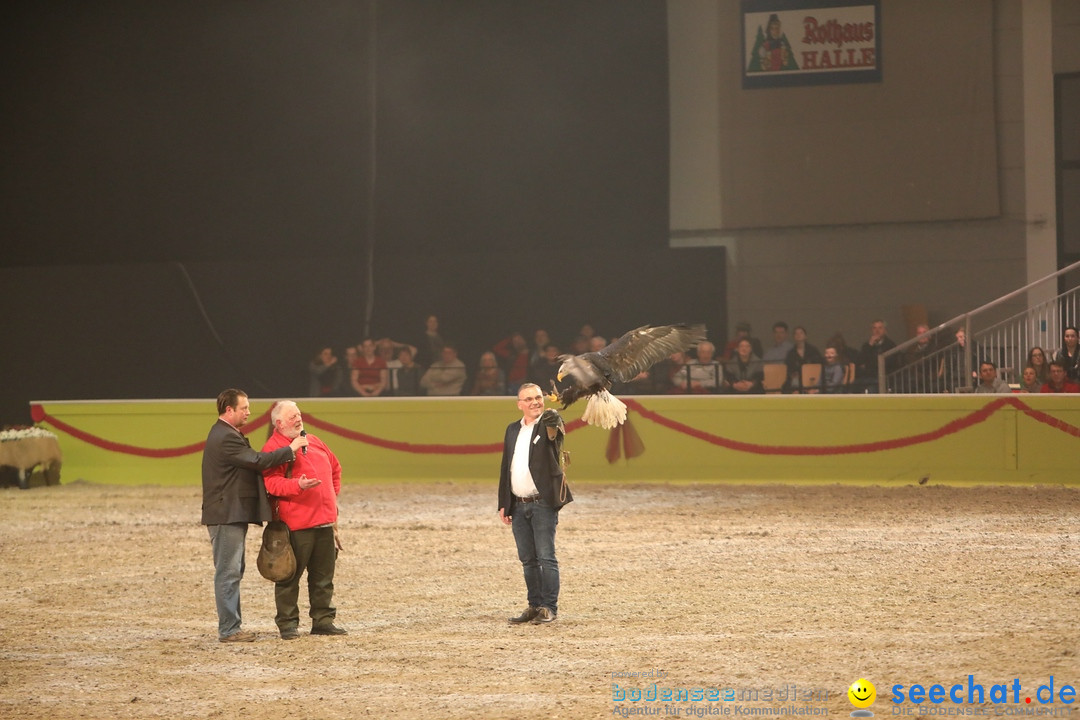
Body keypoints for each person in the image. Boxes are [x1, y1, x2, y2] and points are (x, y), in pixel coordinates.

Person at [201, 389, 308, 643]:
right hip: (226, 513)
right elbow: (257, 460)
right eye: (244, 408)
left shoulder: (227, 434)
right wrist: (290, 449)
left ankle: (232, 627)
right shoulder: (225, 436)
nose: (248, 412)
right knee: (228, 572)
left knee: (233, 569)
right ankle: (229, 630)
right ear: (229, 410)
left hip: (229, 512)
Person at [261, 401, 346, 640]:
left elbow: (335, 469)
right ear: (278, 424)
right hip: (295, 525)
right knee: (289, 576)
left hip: (325, 522)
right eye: (292, 417)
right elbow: (271, 483)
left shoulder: (315, 441)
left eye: (298, 415)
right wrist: (297, 486)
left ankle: (323, 620)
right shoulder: (274, 449)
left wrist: (330, 496)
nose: (298, 420)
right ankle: (288, 625)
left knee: (323, 577)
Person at [497, 383, 572, 625]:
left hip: (542, 504)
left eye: (538, 397)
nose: (534, 402)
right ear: (519, 404)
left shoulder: (548, 424)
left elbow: (554, 432)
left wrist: (553, 418)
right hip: (518, 505)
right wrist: (504, 503)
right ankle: (534, 605)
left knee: (546, 557)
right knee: (528, 559)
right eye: (528, 399)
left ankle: (549, 607)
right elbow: (505, 467)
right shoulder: (511, 430)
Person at [856, 320, 898, 392]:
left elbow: (889, 363)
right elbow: (860, 361)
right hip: (868, 376)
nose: (877, 330)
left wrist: (869, 363)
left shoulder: (890, 345)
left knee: (872, 389)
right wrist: (870, 346)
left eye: (880, 328)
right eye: (874, 328)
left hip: (885, 377)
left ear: (885, 330)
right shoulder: (866, 346)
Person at [783, 326, 822, 393]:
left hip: (812, 379)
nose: (798, 335)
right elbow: (789, 369)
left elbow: (819, 366)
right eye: (796, 333)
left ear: (805, 336)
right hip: (797, 381)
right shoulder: (791, 353)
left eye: (801, 333)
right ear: (794, 337)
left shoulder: (813, 350)